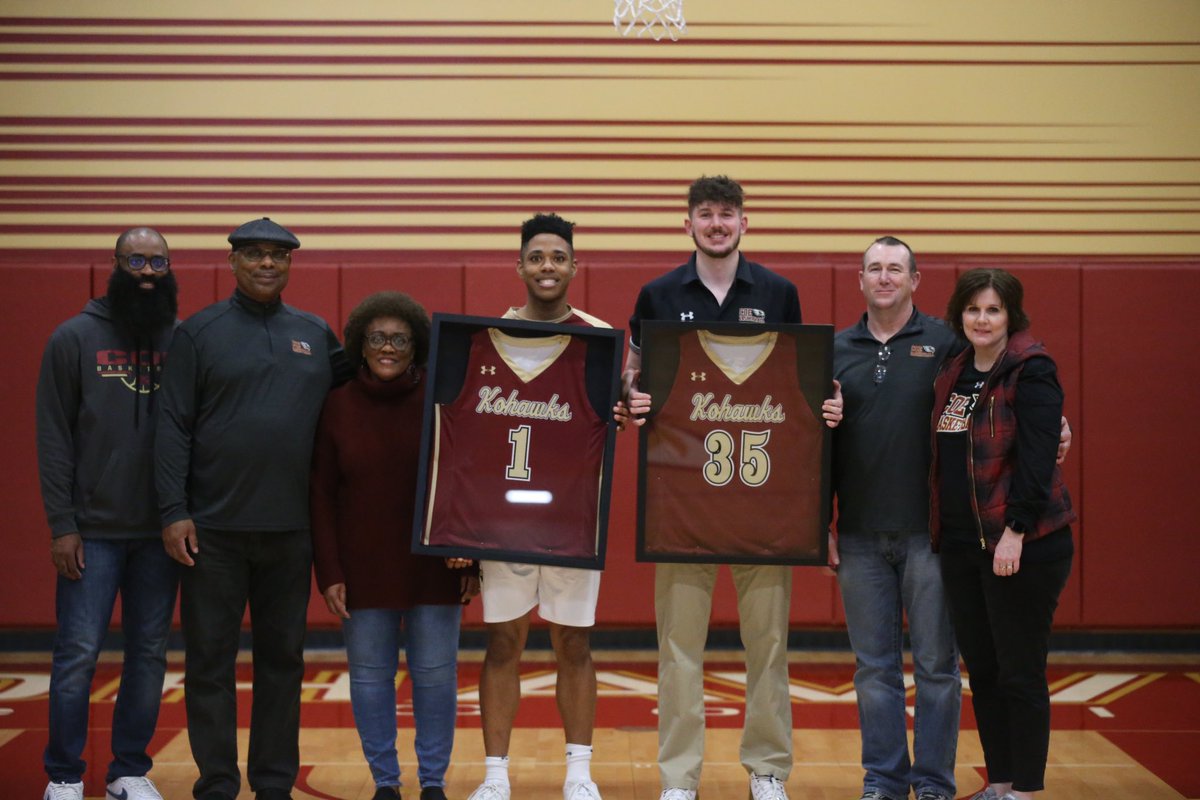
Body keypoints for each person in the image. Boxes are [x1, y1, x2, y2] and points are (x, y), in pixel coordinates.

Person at [622, 176, 842, 800]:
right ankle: (678, 779)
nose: (716, 224)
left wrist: (826, 402)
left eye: (726, 213)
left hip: (763, 501)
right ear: (687, 223)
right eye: (705, 214)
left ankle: (767, 771)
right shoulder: (658, 294)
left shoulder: (778, 292)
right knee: (678, 648)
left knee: (768, 646)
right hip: (682, 504)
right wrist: (630, 395)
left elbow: (802, 382)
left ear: (745, 222)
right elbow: (632, 375)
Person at [155, 217, 351, 800]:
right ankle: (217, 783)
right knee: (209, 664)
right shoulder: (198, 333)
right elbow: (172, 426)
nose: (267, 263)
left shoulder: (315, 334)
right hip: (211, 533)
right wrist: (173, 510)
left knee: (283, 664)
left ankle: (272, 784)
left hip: (291, 532)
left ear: (290, 264)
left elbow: (363, 400)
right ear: (233, 262)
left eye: (278, 255)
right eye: (255, 254)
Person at [462, 213, 625, 800]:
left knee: (573, 643)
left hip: (572, 519)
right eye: (536, 257)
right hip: (504, 519)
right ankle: (495, 776)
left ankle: (578, 773)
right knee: (503, 642)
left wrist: (625, 406)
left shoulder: (600, 338)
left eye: (558, 257)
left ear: (575, 266)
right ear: (520, 267)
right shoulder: (488, 337)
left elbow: (618, 413)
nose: (547, 267)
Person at [310, 291, 477, 800]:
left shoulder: (441, 399)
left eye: (400, 340)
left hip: (436, 563)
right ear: (360, 346)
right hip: (361, 568)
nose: (388, 347)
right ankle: (385, 781)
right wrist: (329, 571)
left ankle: (433, 782)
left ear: (416, 346)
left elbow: (466, 480)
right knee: (369, 678)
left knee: (435, 677)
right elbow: (320, 495)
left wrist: (470, 556)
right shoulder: (337, 405)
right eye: (378, 338)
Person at [36, 227, 180, 800]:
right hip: (91, 532)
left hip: (160, 532)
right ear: (115, 264)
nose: (147, 272)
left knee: (148, 655)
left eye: (158, 262)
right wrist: (62, 525)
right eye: (136, 260)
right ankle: (64, 775)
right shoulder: (72, 337)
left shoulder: (182, 340)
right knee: (77, 656)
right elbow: (53, 439)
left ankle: (128, 770)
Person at [930, 268, 1075, 800]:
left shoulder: (1031, 369)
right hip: (963, 546)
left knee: (1020, 672)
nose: (982, 319)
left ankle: (1027, 790)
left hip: (1022, 544)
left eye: (993, 309)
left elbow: (1038, 460)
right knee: (985, 672)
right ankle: (1002, 782)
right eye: (973, 309)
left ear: (1011, 315)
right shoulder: (954, 368)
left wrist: (1015, 530)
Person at [829, 236, 961, 800]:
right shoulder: (835, 349)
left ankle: (933, 783)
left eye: (895, 269)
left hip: (930, 535)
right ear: (860, 279)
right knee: (874, 669)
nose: (884, 278)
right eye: (874, 269)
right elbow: (813, 444)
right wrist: (821, 523)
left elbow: (998, 393)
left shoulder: (947, 342)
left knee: (936, 667)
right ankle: (883, 780)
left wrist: (1053, 425)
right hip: (858, 535)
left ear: (914, 280)